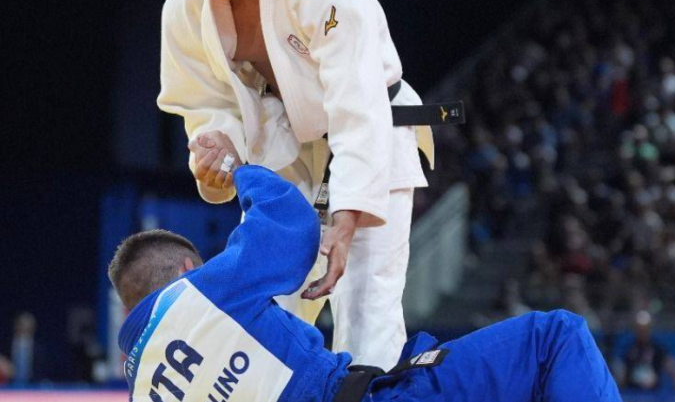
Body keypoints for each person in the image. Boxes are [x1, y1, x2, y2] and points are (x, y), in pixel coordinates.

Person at [154, 0, 444, 370]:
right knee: (266, 313)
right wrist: (216, 143)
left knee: (365, 314)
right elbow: (204, 104)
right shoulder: (183, 11)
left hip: (373, 132)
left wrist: (347, 214)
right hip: (285, 150)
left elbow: (359, 107)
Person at [109, 165, 621, 402]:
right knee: (555, 338)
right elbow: (290, 223)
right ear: (183, 270)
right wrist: (236, 169)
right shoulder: (198, 293)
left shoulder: (143, 390)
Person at [618, 311, 675, 393]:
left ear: (649, 328)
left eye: (644, 328)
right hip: (633, 394)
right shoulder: (629, 349)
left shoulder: (658, 348)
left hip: (653, 396)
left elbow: (674, 370)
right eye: (640, 328)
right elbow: (622, 375)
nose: (642, 331)